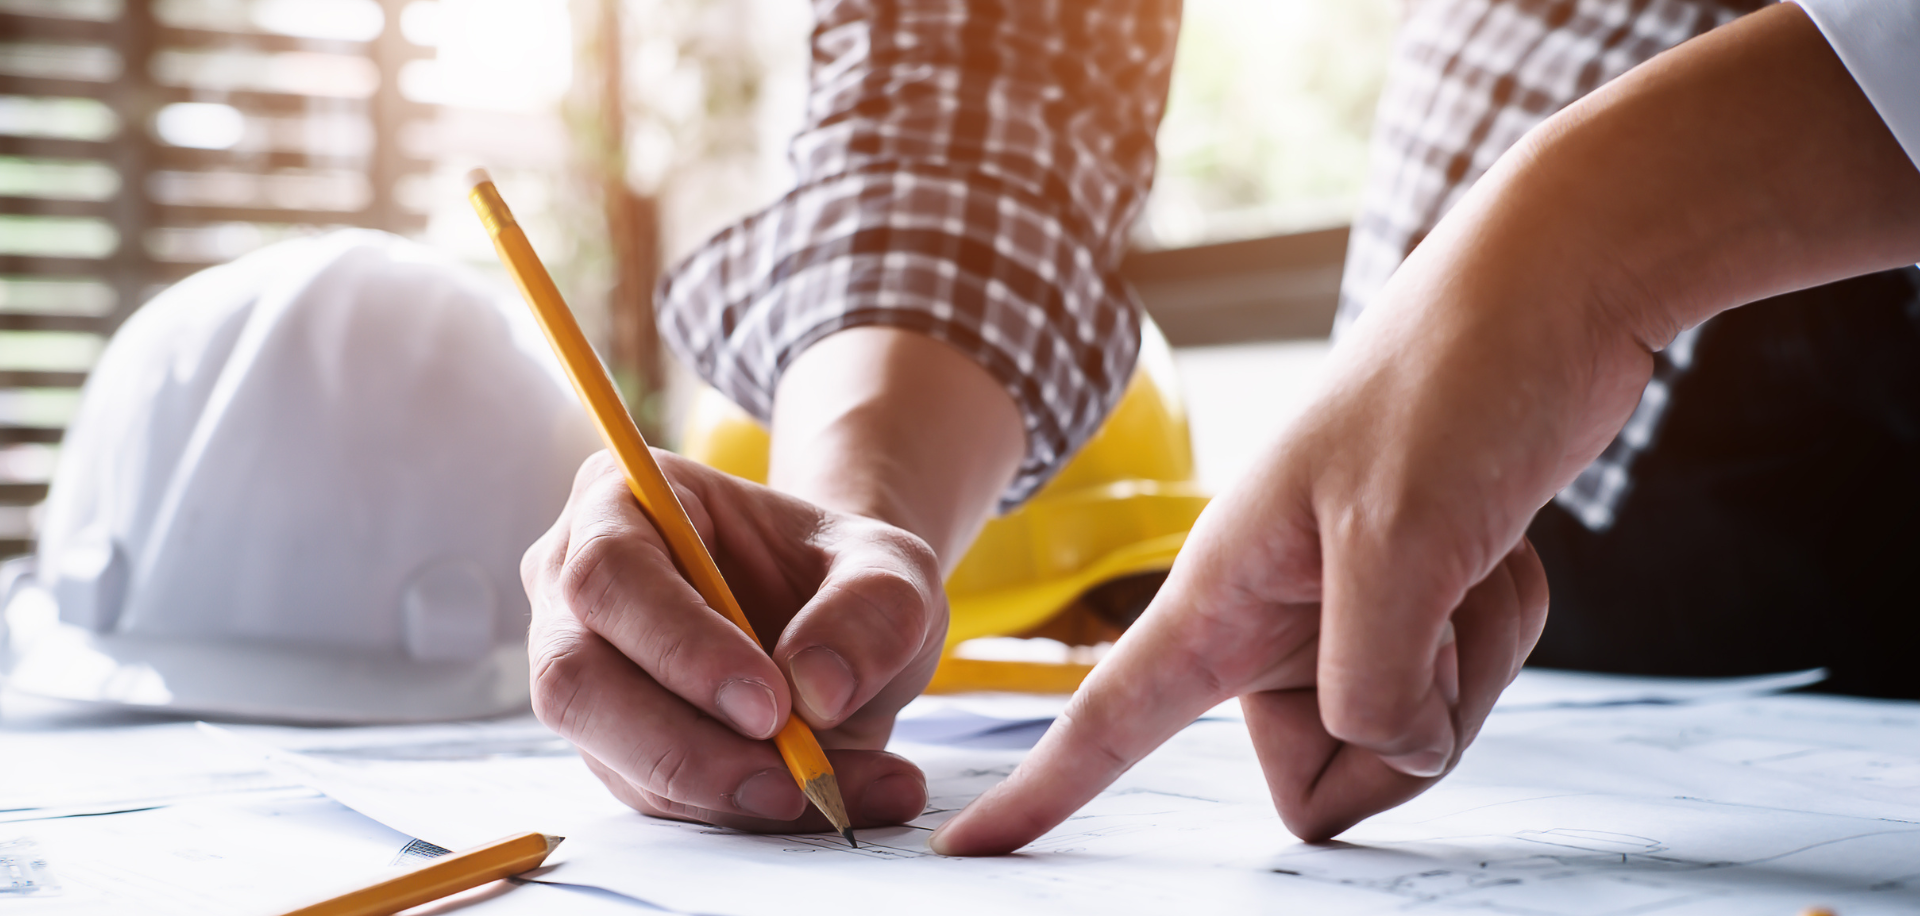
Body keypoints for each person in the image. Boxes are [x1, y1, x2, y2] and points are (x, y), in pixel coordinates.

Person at [522, 0, 1920, 843]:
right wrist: (858, 516)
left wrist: (1584, 245)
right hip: (1527, 481)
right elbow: (986, 70)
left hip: (1575, 318)